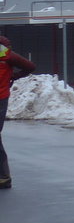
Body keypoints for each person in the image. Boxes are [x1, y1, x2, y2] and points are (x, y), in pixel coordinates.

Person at [0, 34, 37, 189]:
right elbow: (30, 66)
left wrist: (13, 76)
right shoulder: (5, 51)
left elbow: (29, 66)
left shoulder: (4, 51)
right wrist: (13, 76)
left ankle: (4, 177)